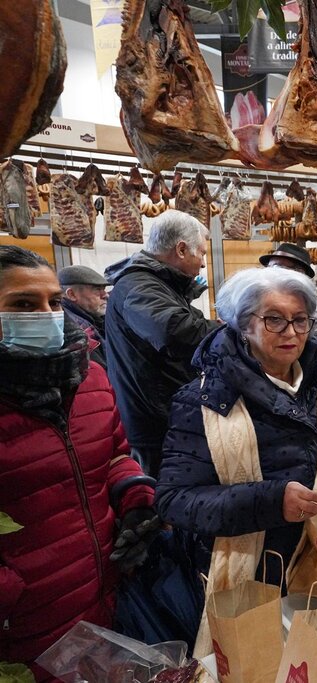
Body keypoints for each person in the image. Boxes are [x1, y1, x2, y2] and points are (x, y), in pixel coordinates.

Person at [156, 267, 317, 656]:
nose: (292, 333)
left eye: (301, 320)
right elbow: (174, 499)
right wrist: (270, 501)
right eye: (275, 320)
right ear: (243, 324)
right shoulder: (204, 399)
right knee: (255, 662)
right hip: (251, 569)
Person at [0, 246, 157, 680]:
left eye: (53, 301)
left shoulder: (88, 377)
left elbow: (113, 454)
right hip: (22, 628)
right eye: (22, 305)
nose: (46, 314)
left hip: (104, 594)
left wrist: (137, 497)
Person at [104, 210, 220, 476]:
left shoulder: (155, 284)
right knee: (165, 501)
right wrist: (235, 334)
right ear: (181, 249)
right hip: (153, 425)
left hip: (163, 416)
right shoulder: (139, 286)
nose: (203, 264)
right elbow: (174, 331)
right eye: (201, 253)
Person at [260, 243, 317, 376]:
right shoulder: (254, 308)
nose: (274, 274)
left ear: (301, 276)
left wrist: (291, 372)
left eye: (280, 268)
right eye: (272, 268)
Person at [59, 264, 110, 368]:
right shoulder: (79, 330)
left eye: (104, 289)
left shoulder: (92, 318)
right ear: (72, 295)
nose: (105, 295)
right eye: (97, 289)